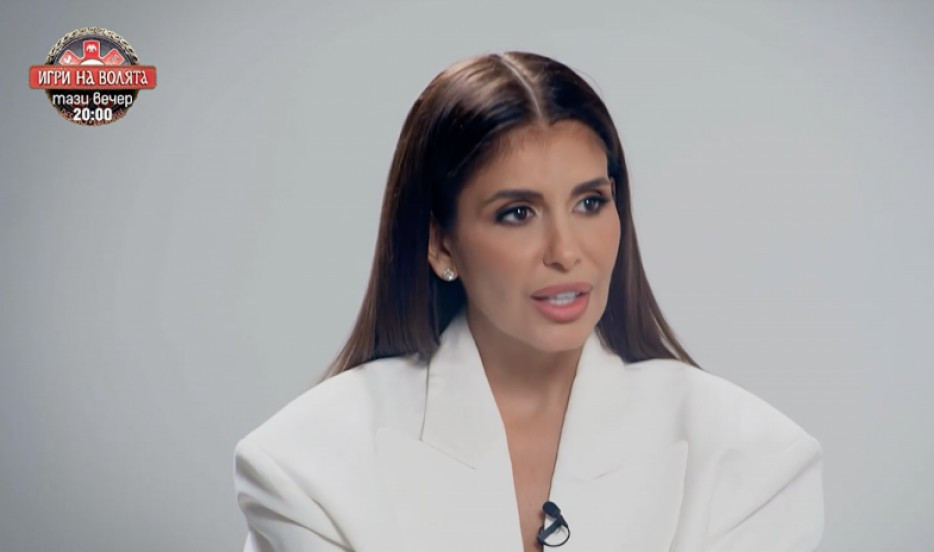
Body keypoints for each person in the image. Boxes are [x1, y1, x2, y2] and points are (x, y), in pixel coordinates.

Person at [232, 51, 824, 552]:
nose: (566, 252)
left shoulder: (753, 459)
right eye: (517, 213)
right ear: (440, 242)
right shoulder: (305, 468)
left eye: (590, 203)